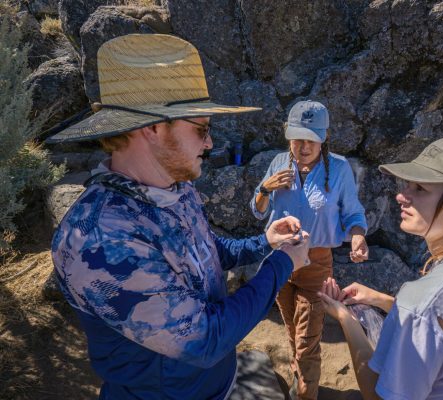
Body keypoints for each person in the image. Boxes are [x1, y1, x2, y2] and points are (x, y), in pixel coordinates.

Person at [47, 34, 310, 400]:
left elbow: (204, 252)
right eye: (201, 129)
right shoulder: (101, 239)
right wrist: (282, 263)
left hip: (214, 385)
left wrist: (264, 243)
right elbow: (203, 341)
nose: (210, 144)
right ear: (152, 127)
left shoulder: (175, 186)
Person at [318, 137, 443, 400]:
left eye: (420, 189)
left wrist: (348, 320)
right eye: (407, 185)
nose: (401, 196)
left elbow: (378, 395)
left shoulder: (425, 302)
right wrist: (383, 301)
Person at [250, 100, 369, 399]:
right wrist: (265, 189)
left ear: (324, 137)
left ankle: (305, 392)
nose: (302, 146)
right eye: (296, 138)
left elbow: (353, 214)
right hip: (279, 259)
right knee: (292, 328)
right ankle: (298, 374)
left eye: (310, 139)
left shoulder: (339, 169)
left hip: (316, 264)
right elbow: (257, 210)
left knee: (307, 338)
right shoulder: (279, 163)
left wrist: (357, 236)